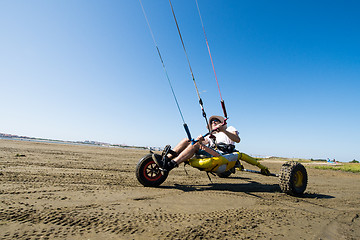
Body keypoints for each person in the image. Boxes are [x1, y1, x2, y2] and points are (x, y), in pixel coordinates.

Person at [152, 115, 269, 175]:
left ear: (222, 123)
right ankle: (165, 160)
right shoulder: (211, 135)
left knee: (195, 146)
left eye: (216, 121)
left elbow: (237, 139)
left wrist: (223, 130)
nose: (214, 123)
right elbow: (203, 144)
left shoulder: (229, 129)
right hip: (211, 153)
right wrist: (200, 140)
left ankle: (171, 165)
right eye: (212, 122)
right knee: (188, 140)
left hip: (223, 156)